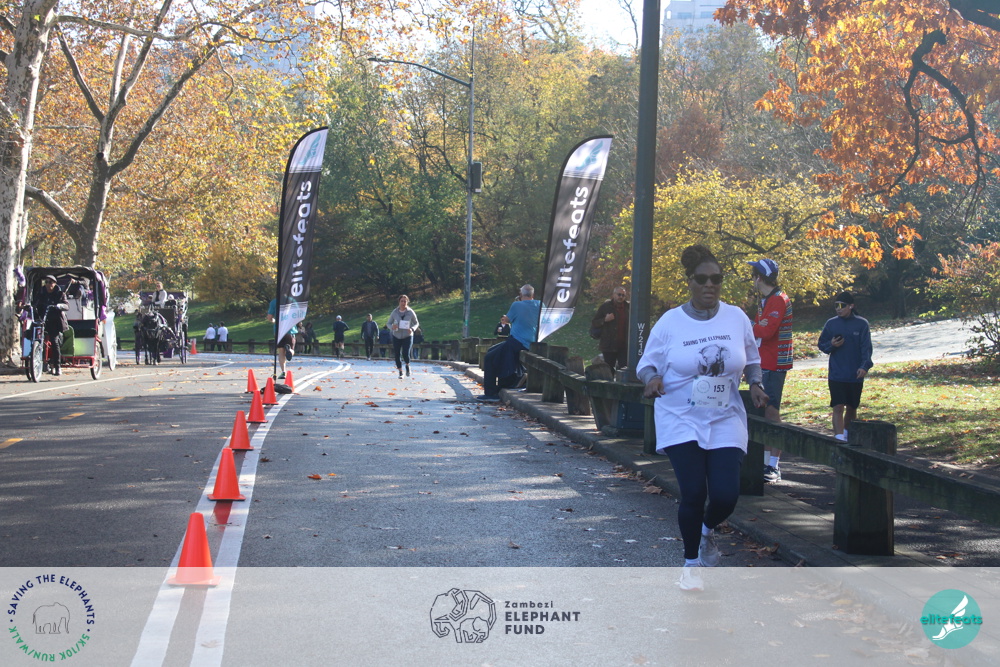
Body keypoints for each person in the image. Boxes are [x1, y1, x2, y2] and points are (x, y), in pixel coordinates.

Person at [636, 245, 768, 592]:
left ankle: (707, 530)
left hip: (725, 416)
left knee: (726, 495)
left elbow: (752, 357)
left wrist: (756, 384)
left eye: (716, 279)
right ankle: (691, 565)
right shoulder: (670, 322)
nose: (710, 285)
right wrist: (652, 379)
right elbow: (646, 363)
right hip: (680, 415)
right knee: (694, 492)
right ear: (690, 281)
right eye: (702, 279)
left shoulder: (737, 317)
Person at [748, 258, 793, 483]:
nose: (752, 280)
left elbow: (766, 332)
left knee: (772, 412)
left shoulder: (778, 300)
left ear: (759, 277)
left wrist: (749, 325)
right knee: (763, 412)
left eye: (753, 275)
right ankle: (764, 462)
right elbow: (760, 329)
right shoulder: (766, 301)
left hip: (774, 363)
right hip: (763, 361)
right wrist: (756, 326)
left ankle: (774, 465)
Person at [817, 291, 873, 442]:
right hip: (836, 374)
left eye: (842, 306)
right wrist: (831, 345)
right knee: (837, 406)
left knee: (852, 407)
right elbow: (821, 344)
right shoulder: (831, 323)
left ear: (851, 306)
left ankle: (848, 435)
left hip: (855, 374)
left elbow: (866, 348)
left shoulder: (862, 324)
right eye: (836, 306)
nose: (838, 309)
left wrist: (864, 366)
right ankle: (839, 438)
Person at [477, 284, 541, 401]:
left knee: (489, 357)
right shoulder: (540, 305)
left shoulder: (517, 304)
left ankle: (491, 393)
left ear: (521, 294)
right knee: (493, 351)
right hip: (533, 342)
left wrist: (516, 303)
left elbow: (506, 320)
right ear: (533, 295)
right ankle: (508, 381)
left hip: (517, 341)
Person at [32, 275, 70, 376]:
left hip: (55, 321)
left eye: (51, 282)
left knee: (54, 341)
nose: (49, 284)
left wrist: (60, 306)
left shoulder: (60, 294)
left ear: (55, 284)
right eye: (47, 282)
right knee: (34, 338)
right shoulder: (41, 293)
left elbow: (67, 306)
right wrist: (29, 307)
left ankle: (57, 366)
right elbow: (34, 304)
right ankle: (35, 361)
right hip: (42, 320)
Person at [591, 286, 630, 370]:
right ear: (614, 295)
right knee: (609, 369)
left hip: (624, 346)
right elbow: (594, 322)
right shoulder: (605, 307)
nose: (621, 297)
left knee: (624, 369)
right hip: (609, 345)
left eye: (623, 295)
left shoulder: (628, 307)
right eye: (619, 294)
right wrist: (605, 319)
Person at [386, 295, 419, 378]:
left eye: (405, 301)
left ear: (407, 302)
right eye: (402, 301)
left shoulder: (410, 312)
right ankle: (400, 372)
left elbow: (416, 323)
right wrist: (392, 327)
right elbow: (388, 323)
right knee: (397, 354)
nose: (403, 303)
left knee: (405, 353)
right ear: (399, 302)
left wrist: (412, 329)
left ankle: (407, 365)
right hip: (396, 335)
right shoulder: (394, 312)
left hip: (407, 335)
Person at [266, 298, 297, 379]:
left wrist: (274, 321)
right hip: (290, 329)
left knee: (281, 351)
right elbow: (298, 314)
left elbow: (269, 317)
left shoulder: (274, 302)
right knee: (292, 349)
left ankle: (283, 372)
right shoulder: (292, 300)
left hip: (279, 330)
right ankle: (289, 350)